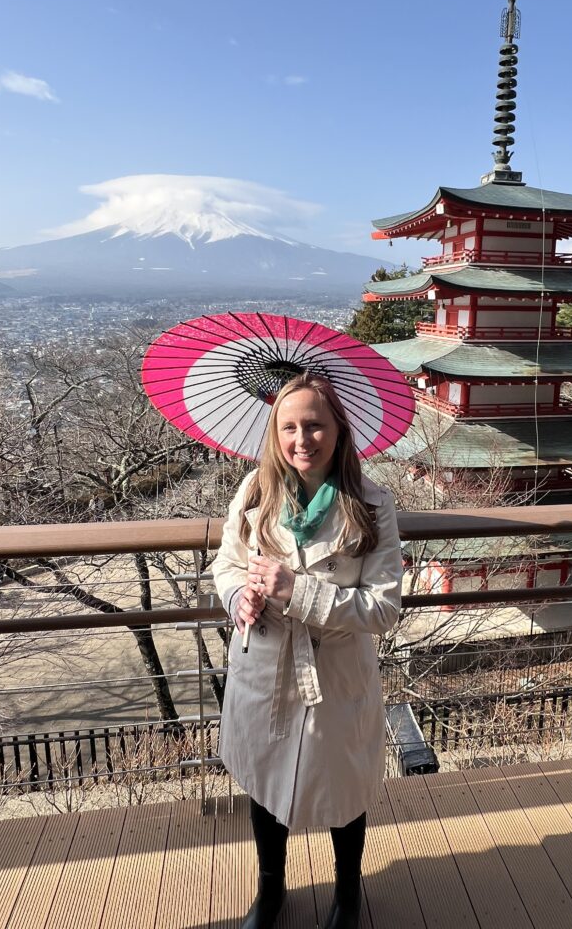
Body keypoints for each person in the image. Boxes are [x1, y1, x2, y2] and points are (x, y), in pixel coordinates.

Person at [211, 372, 403, 929]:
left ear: (339, 430)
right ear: (274, 431)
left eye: (315, 425)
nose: (302, 439)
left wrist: (296, 590)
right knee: (265, 779)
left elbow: (384, 609)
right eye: (288, 426)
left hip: (335, 669)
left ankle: (347, 895)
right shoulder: (254, 491)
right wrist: (237, 598)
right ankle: (270, 893)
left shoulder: (370, 503)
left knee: (344, 784)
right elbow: (225, 564)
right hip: (264, 664)